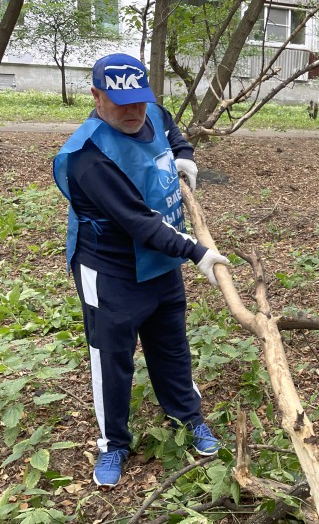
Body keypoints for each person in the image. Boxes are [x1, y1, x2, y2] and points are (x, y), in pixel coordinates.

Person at [52, 53, 231, 488]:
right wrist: (196, 251)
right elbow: (138, 221)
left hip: (160, 262)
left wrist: (184, 154)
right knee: (112, 358)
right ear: (96, 96)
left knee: (170, 344)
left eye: (139, 101)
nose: (134, 113)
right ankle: (114, 442)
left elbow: (168, 126)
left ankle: (187, 417)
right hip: (110, 270)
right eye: (121, 103)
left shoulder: (147, 109)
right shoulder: (86, 157)